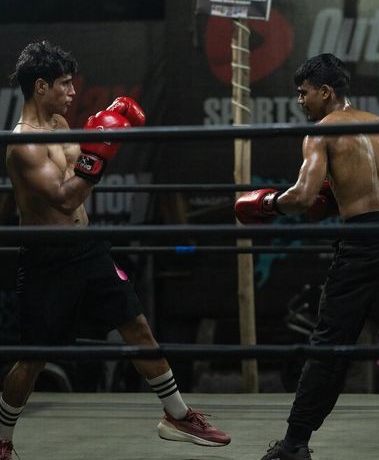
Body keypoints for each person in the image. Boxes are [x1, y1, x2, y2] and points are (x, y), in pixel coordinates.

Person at [2, 40, 230, 459]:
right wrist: (100, 152)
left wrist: (97, 142)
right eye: (64, 84)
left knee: (136, 326)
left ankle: (177, 415)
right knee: (32, 358)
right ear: (40, 86)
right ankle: (2, 439)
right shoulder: (24, 145)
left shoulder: (61, 125)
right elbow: (66, 198)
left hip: (87, 250)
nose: (73, 91)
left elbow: (80, 178)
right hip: (47, 259)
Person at [235, 53, 379, 460]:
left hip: (365, 242)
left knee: (330, 343)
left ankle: (294, 444)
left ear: (325, 91)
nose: (301, 101)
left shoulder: (321, 132)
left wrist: (266, 204)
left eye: (304, 93)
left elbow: (302, 197)